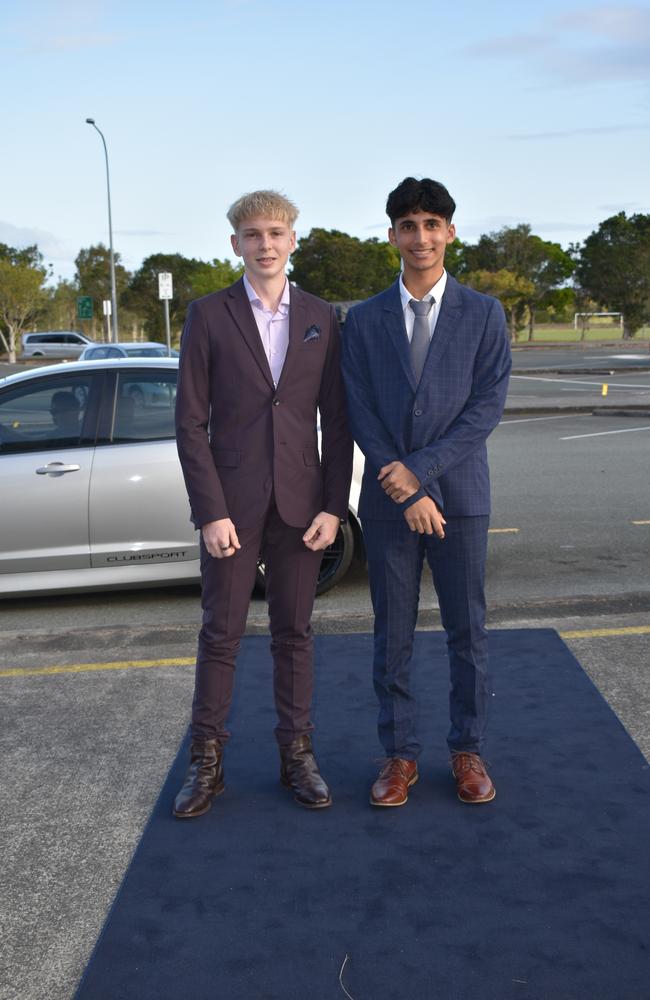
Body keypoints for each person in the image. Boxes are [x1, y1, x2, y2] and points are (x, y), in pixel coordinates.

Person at [173, 190, 353, 818]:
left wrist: (334, 505)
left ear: (293, 239)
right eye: (253, 234)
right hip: (232, 504)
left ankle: (296, 756)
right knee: (220, 634)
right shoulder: (207, 314)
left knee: (294, 634)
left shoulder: (321, 315)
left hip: (303, 506)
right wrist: (209, 512)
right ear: (235, 245)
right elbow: (190, 423)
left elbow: (337, 416)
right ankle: (206, 762)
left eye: (276, 232)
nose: (266, 244)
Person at [342, 177, 511, 807]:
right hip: (389, 503)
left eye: (432, 224)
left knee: (468, 631)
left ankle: (468, 749)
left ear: (450, 232)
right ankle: (399, 755)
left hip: (460, 497)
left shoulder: (484, 314)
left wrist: (423, 474)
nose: (421, 237)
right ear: (392, 235)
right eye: (408, 225)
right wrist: (402, 484)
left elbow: (485, 409)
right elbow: (358, 407)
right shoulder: (361, 321)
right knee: (394, 634)